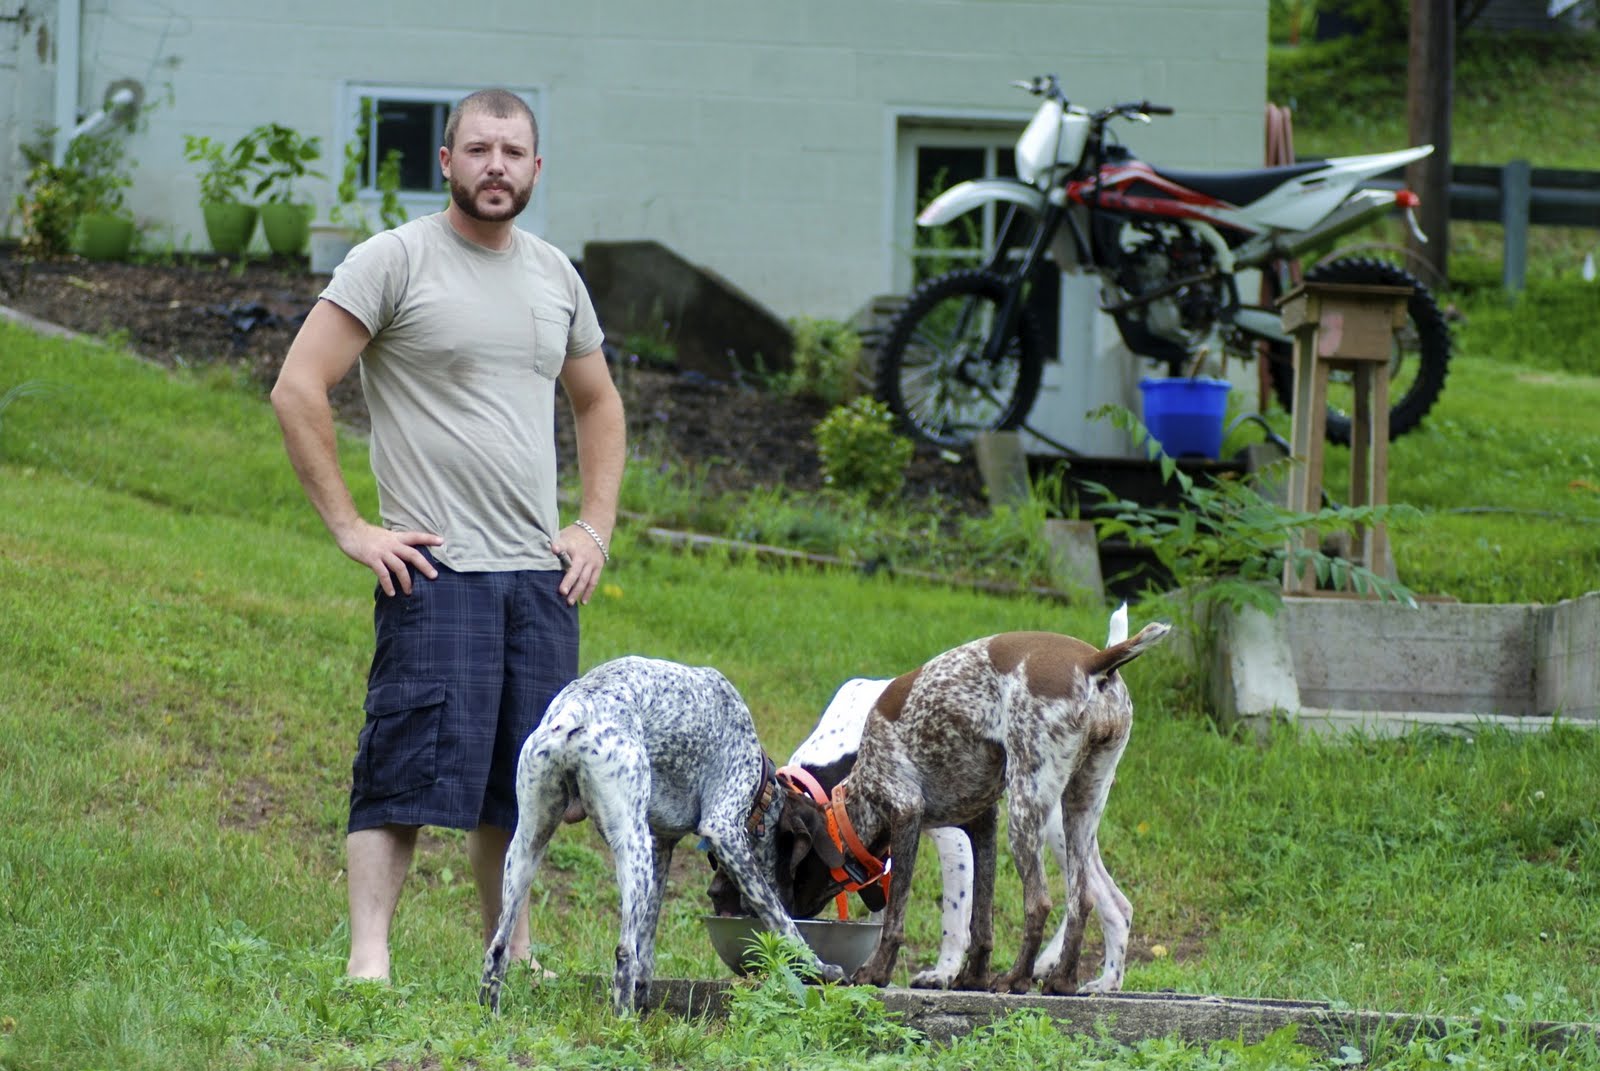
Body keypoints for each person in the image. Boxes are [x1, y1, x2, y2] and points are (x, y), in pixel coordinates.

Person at [270, 87, 625, 981]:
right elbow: (298, 385)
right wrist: (352, 526)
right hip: (436, 567)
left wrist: (592, 526)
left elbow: (599, 401)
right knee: (402, 768)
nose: (495, 166)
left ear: (537, 168)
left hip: (540, 578)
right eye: (478, 149)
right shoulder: (394, 260)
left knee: (526, 785)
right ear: (447, 160)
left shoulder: (554, 274)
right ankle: (369, 960)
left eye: (512, 152)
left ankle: (510, 948)